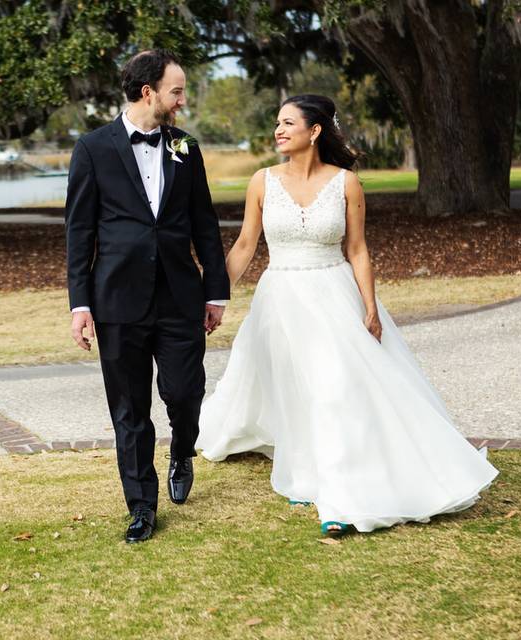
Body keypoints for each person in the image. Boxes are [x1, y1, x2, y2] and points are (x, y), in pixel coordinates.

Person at [196, 94, 498, 537]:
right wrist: (214, 296)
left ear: (314, 131)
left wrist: (370, 305)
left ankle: (340, 493)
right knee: (294, 386)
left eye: (287, 123)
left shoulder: (345, 184)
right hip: (279, 296)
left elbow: (357, 249)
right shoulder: (262, 181)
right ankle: (303, 469)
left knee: (335, 386)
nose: (278, 131)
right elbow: (245, 245)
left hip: (333, 293)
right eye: (277, 124)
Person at [65, 50, 230, 543]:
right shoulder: (92, 148)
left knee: (185, 392)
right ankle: (141, 507)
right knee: (130, 409)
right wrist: (80, 305)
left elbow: (204, 222)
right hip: (116, 300)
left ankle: (183, 449)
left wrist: (215, 291)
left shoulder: (186, 146)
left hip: (180, 295)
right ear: (148, 92)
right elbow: (79, 232)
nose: (183, 100)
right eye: (176, 91)